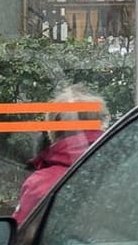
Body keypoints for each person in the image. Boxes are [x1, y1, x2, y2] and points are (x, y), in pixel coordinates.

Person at [13, 88, 105, 222]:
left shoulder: (40, 184)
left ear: (53, 132)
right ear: (101, 125)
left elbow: (21, 235)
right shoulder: (129, 169)